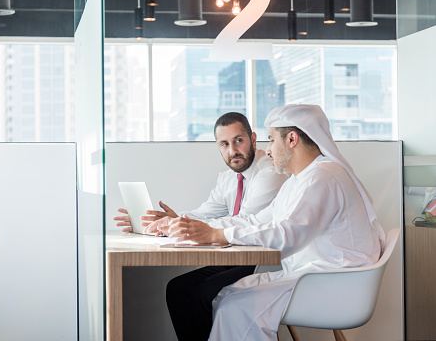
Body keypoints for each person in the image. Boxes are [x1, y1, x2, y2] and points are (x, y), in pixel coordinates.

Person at [165, 104, 385, 341]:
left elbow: (288, 235)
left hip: (333, 283)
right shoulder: (298, 180)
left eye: (270, 140)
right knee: (224, 295)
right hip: (314, 276)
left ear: (291, 139)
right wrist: (207, 230)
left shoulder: (323, 177)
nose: (267, 150)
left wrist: (218, 235)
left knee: (233, 306)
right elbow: (258, 219)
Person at [113, 112, 288, 341]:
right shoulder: (227, 178)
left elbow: (246, 220)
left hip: (265, 261)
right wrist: (169, 221)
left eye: (238, 140)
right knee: (178, 289)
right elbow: (204, 213)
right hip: (238, 258)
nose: (232, 150)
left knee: (203, 292)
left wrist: (180, 225)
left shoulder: (269, 173)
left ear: (253, 139)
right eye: (224, 144)